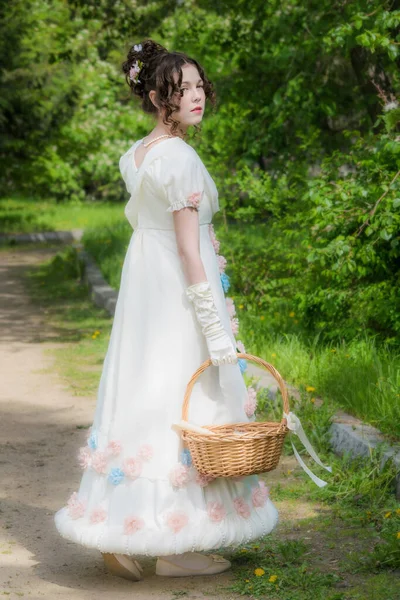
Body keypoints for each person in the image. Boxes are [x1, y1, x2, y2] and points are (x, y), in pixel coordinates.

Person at [54, 38, 279, 581]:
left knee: (143, 395)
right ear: (159, 96)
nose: (199, 96)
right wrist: (215, 329)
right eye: (185, 89)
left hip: (146, 292)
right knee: (188, 394)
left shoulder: (138, 153)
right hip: (178, 292)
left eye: (201, 86)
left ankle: (122, 523)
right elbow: (186, 248)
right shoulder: (178, 156)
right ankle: (178, 544)